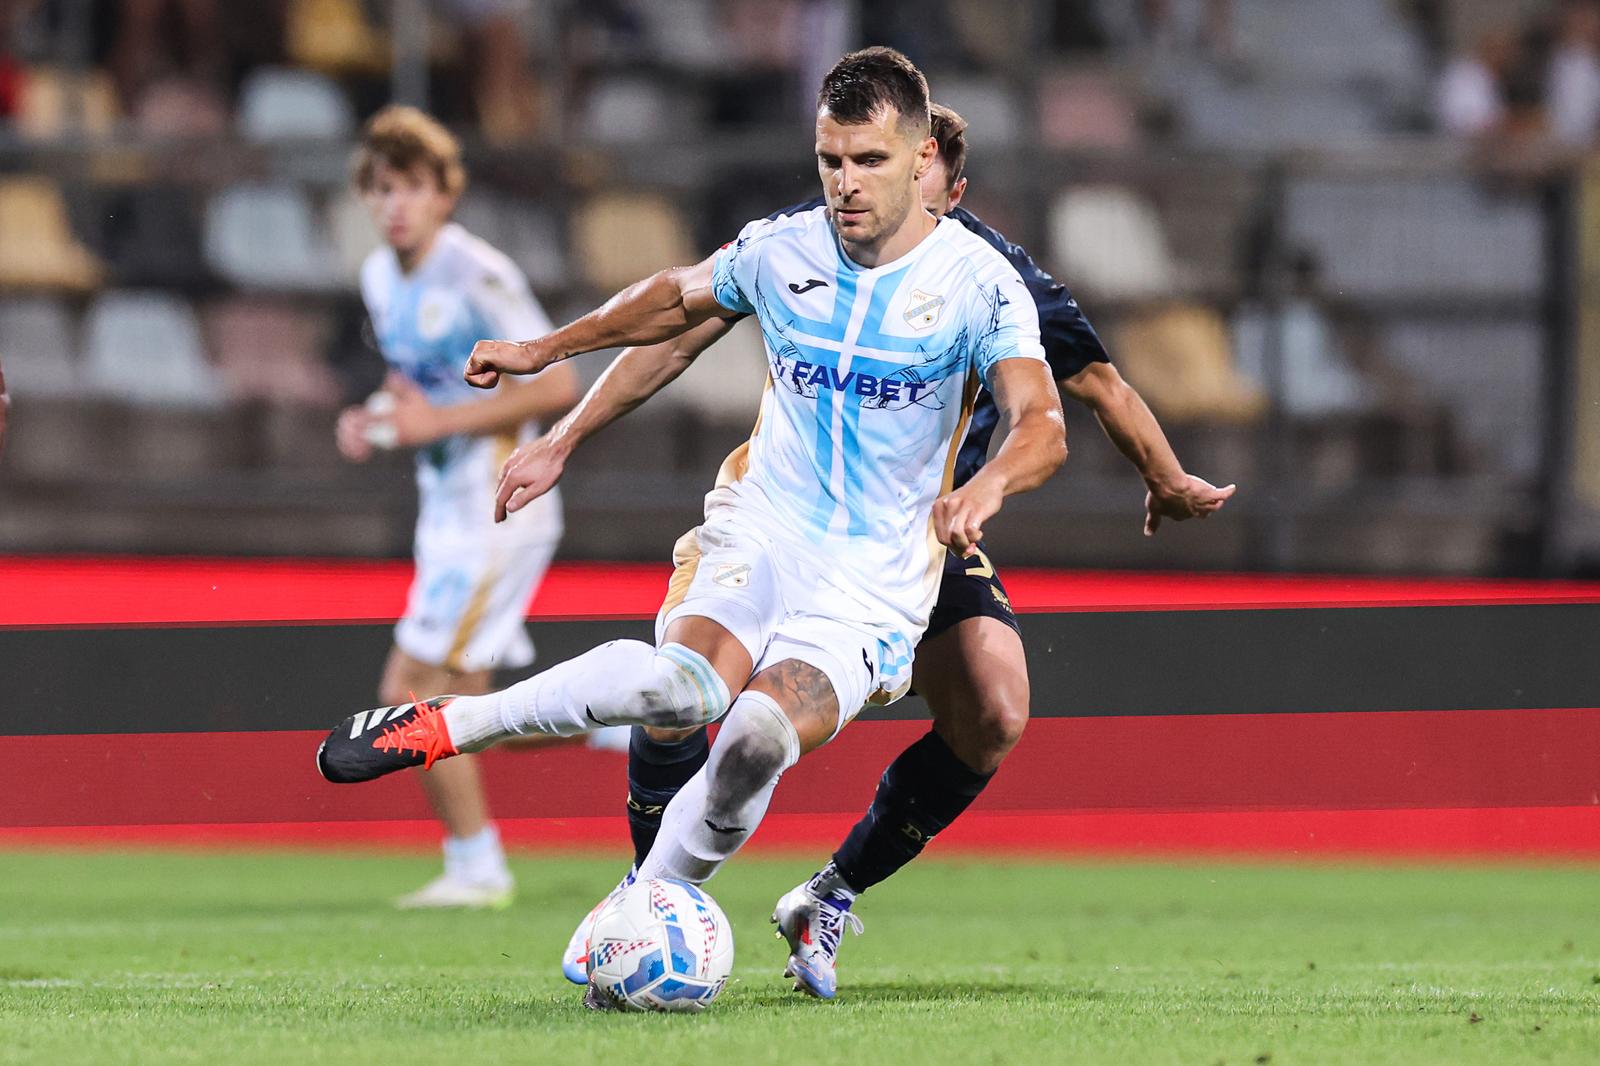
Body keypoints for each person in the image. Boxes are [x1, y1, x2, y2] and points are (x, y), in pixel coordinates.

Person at [315, 47, 1068, 1003]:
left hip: (874, 579)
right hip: (761, 526)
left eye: (869, 161)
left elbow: (1041, 420)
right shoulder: (781, 248)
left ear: (922, 157)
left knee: (757, 736)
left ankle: (649, 902)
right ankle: (441, 725)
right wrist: (555, 391)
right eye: (830, 160)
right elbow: (672, 305)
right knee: (682, 691)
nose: (845, 184)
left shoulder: (978, 284)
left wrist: (989, 486)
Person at [524, 103, 1235, 998]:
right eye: (849, 165)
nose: (872, 192)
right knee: (684, 694)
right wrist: (568, 431)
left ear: (943, 179)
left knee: (996, 712)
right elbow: (678, 331)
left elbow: (1094, 385)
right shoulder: (810, 248)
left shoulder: (993, 282)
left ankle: (828, 894)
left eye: (905, 171)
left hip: (924, 534)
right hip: (788, 519)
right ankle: (644, 894)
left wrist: (1165, 478)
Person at [336, 105, 580, 909]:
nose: (394, 204)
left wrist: (435, 422)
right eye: (380, 188)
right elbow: (426, 384)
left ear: (446, 193)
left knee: (409, 685)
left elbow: (555, 382)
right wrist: (379, 414)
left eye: (410, 187)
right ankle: (628, 717)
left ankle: (477, 865)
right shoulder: (380, 276)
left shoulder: (476, 272)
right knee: (471, 704)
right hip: (443, 506)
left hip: (493, 505)